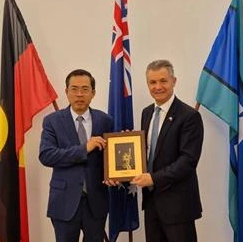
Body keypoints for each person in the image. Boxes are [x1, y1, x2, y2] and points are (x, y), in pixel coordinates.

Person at [131, 59, 204, 242]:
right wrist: (129, 146)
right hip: (151, 202)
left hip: (178, 206)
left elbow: (188, 161)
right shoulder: (146, 113)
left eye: (163, 81)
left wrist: (153, 178)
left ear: (174, 81)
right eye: (152, 82)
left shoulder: (189, 116)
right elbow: (147, 152)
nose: (158, 87)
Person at [39, 69, 113, 242]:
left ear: (93, 93)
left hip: (96, 202)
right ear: (66, 92)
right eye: (74, 89)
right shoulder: (52, 121)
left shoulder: (105, 120)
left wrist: (115, 172)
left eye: (85, 89)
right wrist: (84, 148)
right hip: (64, 201)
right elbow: (47, 155)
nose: (79, 94)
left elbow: (110, 157)